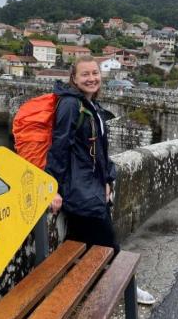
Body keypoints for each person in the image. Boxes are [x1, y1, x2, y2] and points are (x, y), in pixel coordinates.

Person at [44, 55, 155, 305]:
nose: (92, 78)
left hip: (92, 185)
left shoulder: (90, 103)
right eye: (85, 74)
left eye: (95, 73)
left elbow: (100, 150)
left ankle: (82, 294)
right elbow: (59, 147)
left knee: (83, 244)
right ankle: (128, 288)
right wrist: (51, 188)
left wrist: (107, 178)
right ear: (73, 78)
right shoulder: (71, 105)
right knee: (108, 243)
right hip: (79, 190)